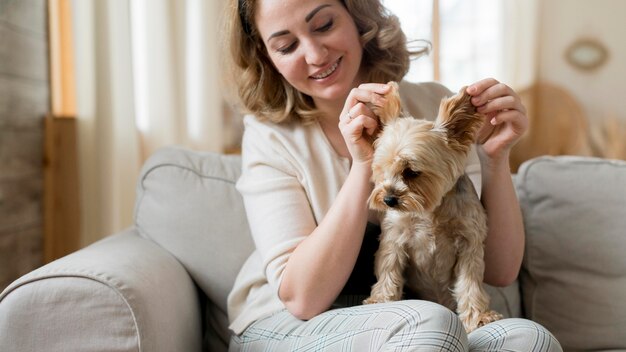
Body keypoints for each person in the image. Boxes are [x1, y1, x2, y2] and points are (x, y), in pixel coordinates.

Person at [222, 0, 563, 350]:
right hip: (292, 322)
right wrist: (362, 164)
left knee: (529, 339)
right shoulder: (271, 136)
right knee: (430, 325)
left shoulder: (435, 106)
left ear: (359, 20)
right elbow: (302, 300)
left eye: (324, 25)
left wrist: (494, 159)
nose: (314, 54)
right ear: (266, 57)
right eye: (286, 45)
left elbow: (499, 272)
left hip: (420, 317)